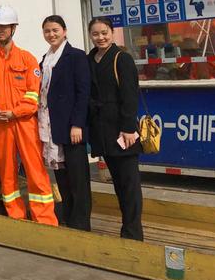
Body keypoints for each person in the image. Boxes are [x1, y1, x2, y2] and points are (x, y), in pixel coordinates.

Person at [0, 5, 58, 226]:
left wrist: (14, 112)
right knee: (6, 172)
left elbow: (34, 97)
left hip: (23, 123)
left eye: (5, 27)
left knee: (35, 169)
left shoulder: (28, 60)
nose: (0, 31)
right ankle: (16, 216)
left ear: (13, 28)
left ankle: (45, 219)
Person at [87, 16, 144, 241]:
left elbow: (130, 96)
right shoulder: (90, 58)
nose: (100, 37)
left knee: (129, 184)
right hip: (103, 131)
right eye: (95, 34)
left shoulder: (122, 59)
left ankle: (132, 232)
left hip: (123, 131)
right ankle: (126, 227)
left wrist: (129, 128)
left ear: (112, 33)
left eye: (104, 33)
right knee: (118, 183)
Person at [39, 15, 92, 231]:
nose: (51, 34)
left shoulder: (76, 56)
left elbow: (83, 92)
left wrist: (77, 123)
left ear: (65, 31)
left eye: (55, 30)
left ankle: (81, 221)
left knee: (78, 177)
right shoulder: (45, 59)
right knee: (62, 175)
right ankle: (68, 216)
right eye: (47, 31)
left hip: (72, 127)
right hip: (52, 126)